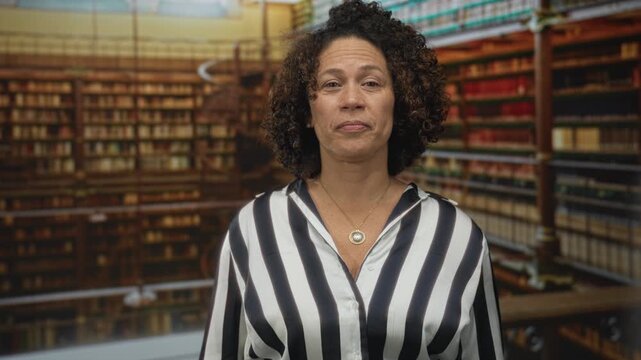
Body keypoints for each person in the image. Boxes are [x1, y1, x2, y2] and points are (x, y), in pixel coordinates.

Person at [200, 0, 504, 359]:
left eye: (371, 82)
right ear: (308, 111)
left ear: (400, 101)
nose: (352, 99)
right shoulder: (254, 228)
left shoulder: (457, 235)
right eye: (331, 84)